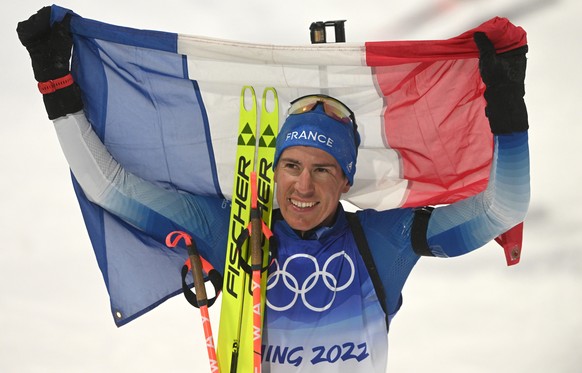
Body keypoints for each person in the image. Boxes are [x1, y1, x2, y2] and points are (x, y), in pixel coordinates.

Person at [17, 7, 530, 373]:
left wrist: (507, 110)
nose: (302, 185)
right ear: (274, 168)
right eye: (291, 165)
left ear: (346, 180)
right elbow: (108, 186)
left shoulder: (384, 240)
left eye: (323, 170)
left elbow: (500, 209)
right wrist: (54, 85)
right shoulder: (230, 228)